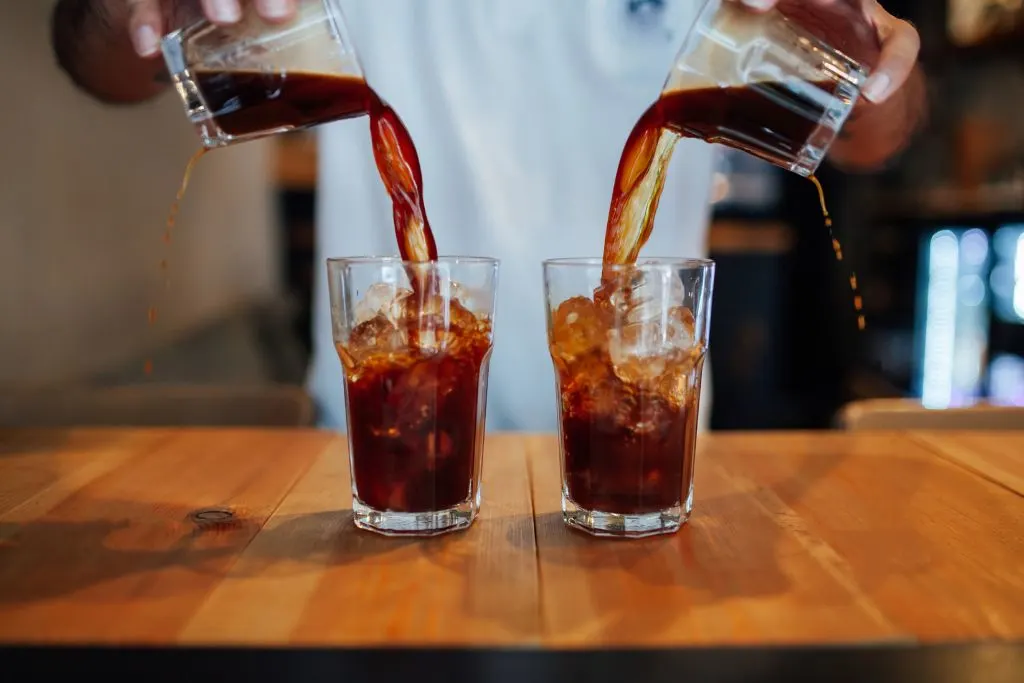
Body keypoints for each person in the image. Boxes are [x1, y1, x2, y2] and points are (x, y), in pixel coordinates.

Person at [52, 0, 924, 431]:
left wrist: (868, 67)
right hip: (370, 447)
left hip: (643, 441)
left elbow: (873, 133)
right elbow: (94, 57)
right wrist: (142, 11)